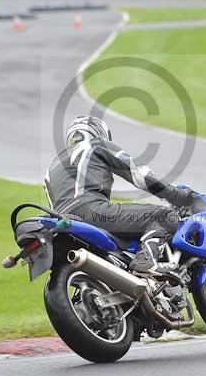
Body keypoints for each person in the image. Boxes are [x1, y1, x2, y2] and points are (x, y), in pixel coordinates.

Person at [44, 115, 196, 274]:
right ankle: (146, 260)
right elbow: (139, 175)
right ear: (99, 131)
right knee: (165, 216)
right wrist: (177, 195)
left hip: (64, 221)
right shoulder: (95, 145)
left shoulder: (51, 168)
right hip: (94, 212)